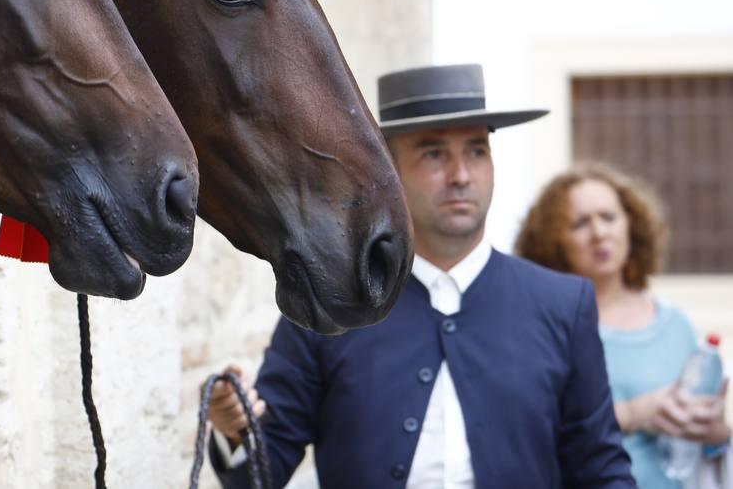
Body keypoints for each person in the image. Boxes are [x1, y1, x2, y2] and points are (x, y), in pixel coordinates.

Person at [207, 63, 636, 488]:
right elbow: (260, 472)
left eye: (476, 151)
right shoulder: (334, 305)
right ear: (388, 170)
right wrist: (234, 431)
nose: (461, 176)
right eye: (434, 154)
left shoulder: (562, 303)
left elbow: (599, 469)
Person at [516, 162, 730, 488]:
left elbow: (703, 448)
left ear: (631, 225)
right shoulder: (541, 327)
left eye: (608, 217)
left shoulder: (674, 324)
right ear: (552, 240)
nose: (600, 233)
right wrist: (634, 414)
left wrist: (715, 431)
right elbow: (525, 429)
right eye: (580, 223)